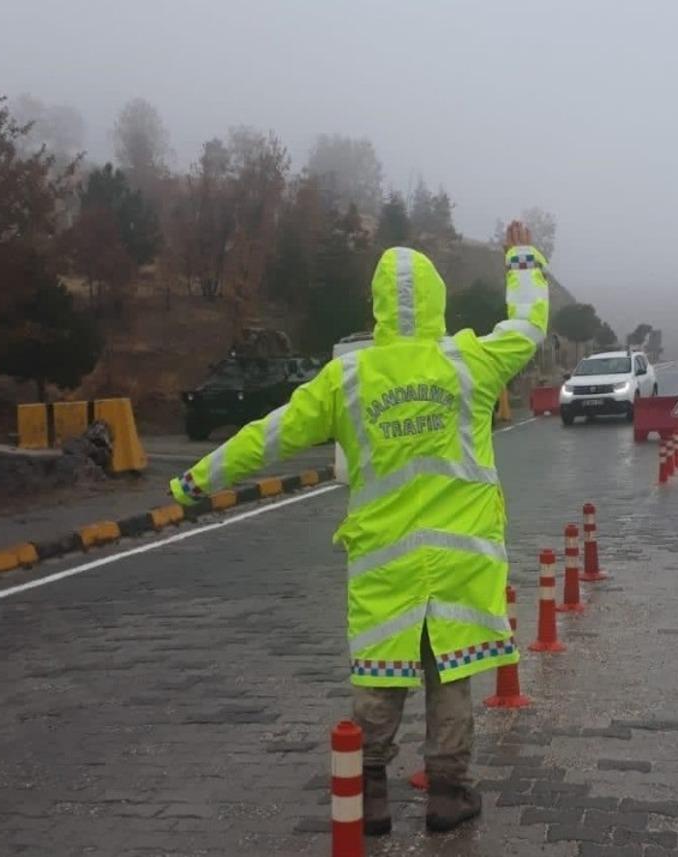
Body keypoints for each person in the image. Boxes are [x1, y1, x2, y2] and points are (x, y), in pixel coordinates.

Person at [168, 221, 548, 835]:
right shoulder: (469, 361)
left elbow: (269, 436)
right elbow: (529, 328)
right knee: (451, 673)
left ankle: (369, 794)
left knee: (380, 674)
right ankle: (448, 795)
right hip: (462, 559)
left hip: (384, 562)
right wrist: (521, 258)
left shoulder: (345, 380)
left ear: (375, 307)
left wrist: (195, 481)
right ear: (437, 300)